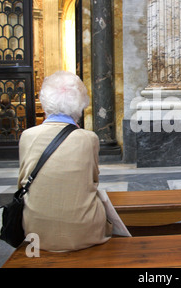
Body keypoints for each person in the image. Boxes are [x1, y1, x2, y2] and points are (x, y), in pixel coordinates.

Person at [17, 71, 112, 252]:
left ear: (45, 102)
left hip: (36, 232)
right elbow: (93, 180)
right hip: (84, 232)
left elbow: (22, 181)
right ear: (80, 105)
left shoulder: (27, 136)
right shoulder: (89, 138)